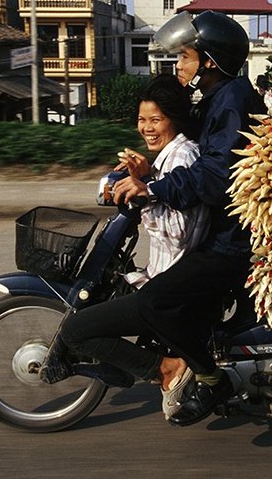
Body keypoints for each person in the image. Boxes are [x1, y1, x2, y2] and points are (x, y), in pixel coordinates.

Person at [111, 10, 265, 427]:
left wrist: (155, 189)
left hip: (230, 239)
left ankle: (210, 380)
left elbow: (213, 176)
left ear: (209, 62)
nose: (179, 65)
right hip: (221, 230)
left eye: (186, 57)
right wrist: (147, 172)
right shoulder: (217, 100)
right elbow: (185, 154)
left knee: (157, 299)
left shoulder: (231, 100)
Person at [39, 74, 210, 419]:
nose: (146, 128)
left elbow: (179, 231)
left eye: (156, 120)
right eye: (142, 120)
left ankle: (168, 368)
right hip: (164, 277)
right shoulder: (167, 156)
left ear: (173, 118)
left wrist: (144, 190)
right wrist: (142, 179)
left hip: (171, 287)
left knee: (76, 330)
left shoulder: (183, 157)